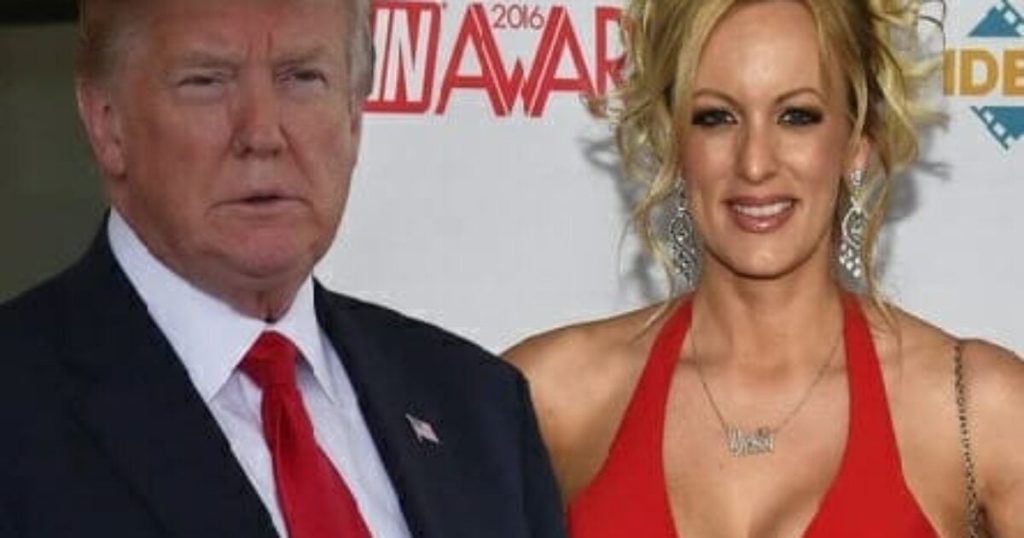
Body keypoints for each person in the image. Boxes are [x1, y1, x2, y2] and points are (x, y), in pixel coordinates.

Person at [0, 0, 566, 537]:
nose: (262, 134)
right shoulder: (21, 405)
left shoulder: (480, 407)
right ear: (107, 124)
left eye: (302, 78)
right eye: (207, 81)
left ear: (354, 117)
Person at [506, 0, 1024, 536]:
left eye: (796, 116)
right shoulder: (549, 397)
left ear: (857, 140)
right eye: (716, 117)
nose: (755, 163)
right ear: (674, 141)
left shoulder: (978, 412)